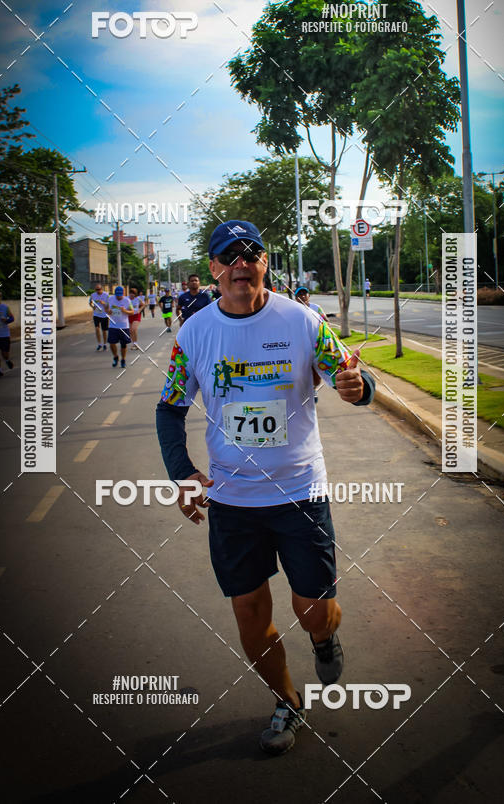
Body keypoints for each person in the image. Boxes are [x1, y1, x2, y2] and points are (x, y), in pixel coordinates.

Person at [156, 219, 375, 756]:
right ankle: (287, 701)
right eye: (227, 256)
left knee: (312, 610)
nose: (240, 263)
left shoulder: (303, 321)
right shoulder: (195, 332)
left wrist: (358, 387)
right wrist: (183, 474)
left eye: (250, 253)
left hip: (300, 491)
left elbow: (353, 376)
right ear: (213, 269)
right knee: (250, 613)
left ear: (264, 263)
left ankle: (324, 637)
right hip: (232, 501)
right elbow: (169, 407)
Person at [104, 286, 134, 368]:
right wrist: (108, 311)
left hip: (124, 326)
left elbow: (132, 312)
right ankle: (115, 357)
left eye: (120, 295)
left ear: (123, 293)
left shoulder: (127, 300)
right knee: (111, 343)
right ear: (115, 293)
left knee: (123, 344)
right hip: (112, 325)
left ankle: (123, 359)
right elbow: (106, 307)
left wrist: (125, 311)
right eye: (117, 295)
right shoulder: (110, 299)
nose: (119, 296)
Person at [89, 283, 109, 350]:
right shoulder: (93, 295)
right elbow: (90, 302)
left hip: (104, 315)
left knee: (104, 331)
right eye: (97, 289)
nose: (98, 291)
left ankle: (105, 344)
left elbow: (109, 305)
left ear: (102, 289)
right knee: (97, 329)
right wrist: (92, 307)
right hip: (96, 315)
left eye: (99, 289)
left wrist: (104, 303)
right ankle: (99, 344)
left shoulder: (106, 295)